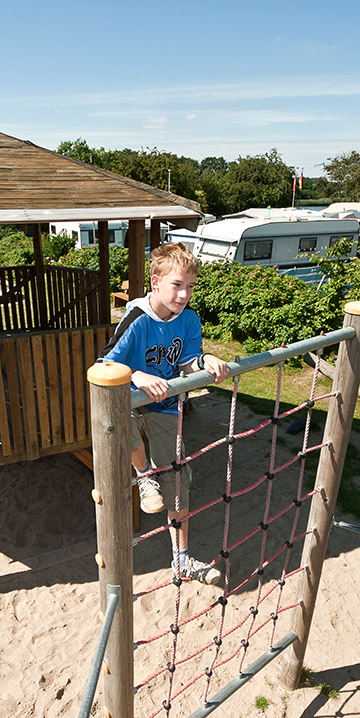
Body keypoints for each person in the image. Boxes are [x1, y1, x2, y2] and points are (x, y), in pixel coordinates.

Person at [98, 243, 230, 586]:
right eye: (177, 285)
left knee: (177, 482)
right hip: (131, 400)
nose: (184, 294)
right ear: (155, 282)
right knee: (116, 426)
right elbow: (104, 363)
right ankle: (144, 475)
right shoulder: (137, 319)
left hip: (166, 404)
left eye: (190, 286)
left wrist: (203, 361)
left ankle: (182, 560)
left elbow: (186, 359)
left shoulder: (188, 320)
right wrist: (136, 375)